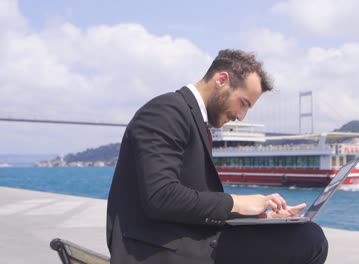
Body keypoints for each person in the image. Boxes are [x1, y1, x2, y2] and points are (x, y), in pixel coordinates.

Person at [106, 49, 328, 264]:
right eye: (243, 103)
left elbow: (196, 203)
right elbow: (161, 197)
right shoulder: (165, 111)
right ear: (221, 80)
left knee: (303, 234)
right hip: (157, 250)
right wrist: (239, 203)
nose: (241, 116)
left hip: (184, 239)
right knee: (308, 240)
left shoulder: (190, 117)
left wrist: (262, 219)